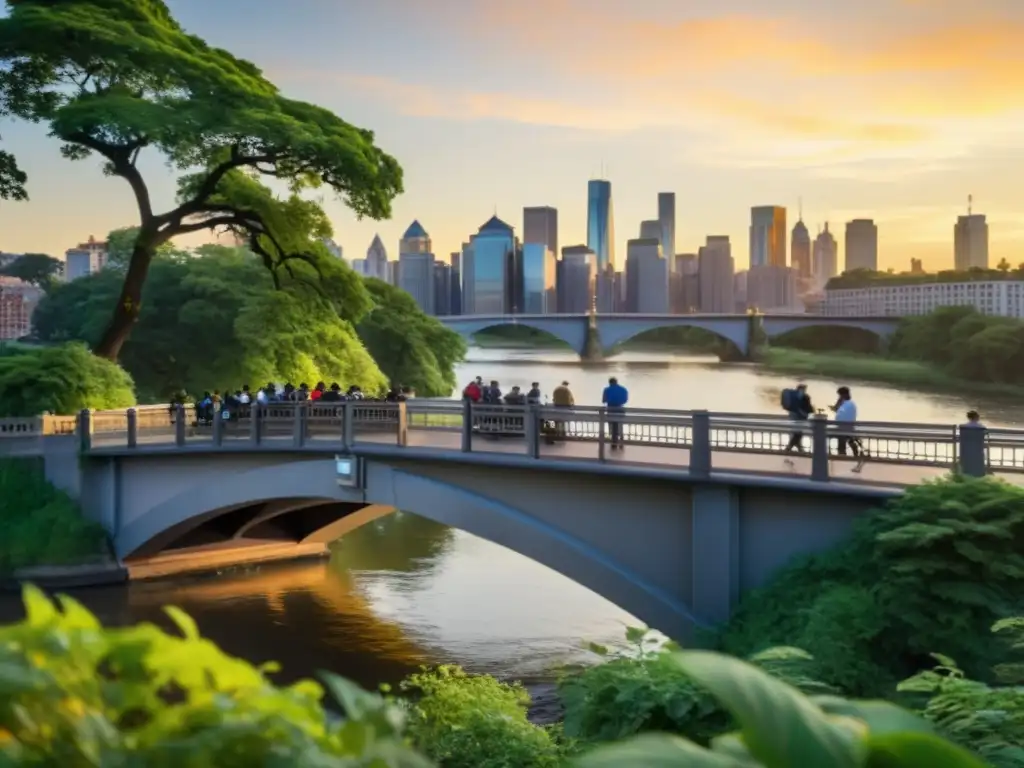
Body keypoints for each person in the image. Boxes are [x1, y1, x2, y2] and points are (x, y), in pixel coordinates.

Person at [831, 386, 867, 473]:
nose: (839, 397)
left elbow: (843, 414)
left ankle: (844, 457)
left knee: (845, 442)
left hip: (844, 427)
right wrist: (837, 405)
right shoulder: (847, 403)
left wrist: (837, 405)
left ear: (842, 394)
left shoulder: (848, 404)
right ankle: (853, 455)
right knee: (850, 441)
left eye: (839, 395)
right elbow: (839, 411)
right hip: (845, 427)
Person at [781, 382, 813, 464]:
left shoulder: (797, 397)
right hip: (799, 417)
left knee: (797, 434)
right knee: (797, 434)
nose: (805, 390)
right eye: (804, 389)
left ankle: (796, 449)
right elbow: (808, 408)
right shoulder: (803, 397)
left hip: (794, 417)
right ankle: (789, 449)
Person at [602, 376, 629, 450]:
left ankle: (614, 443)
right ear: (617, 382)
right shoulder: (623, 389)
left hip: (611, 409)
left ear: (610, 382)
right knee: (620, 425)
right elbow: (625, 400)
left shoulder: (606, 389)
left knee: (612, 426)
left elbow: (604, 400)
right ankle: (621, 441)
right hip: (620, 409)